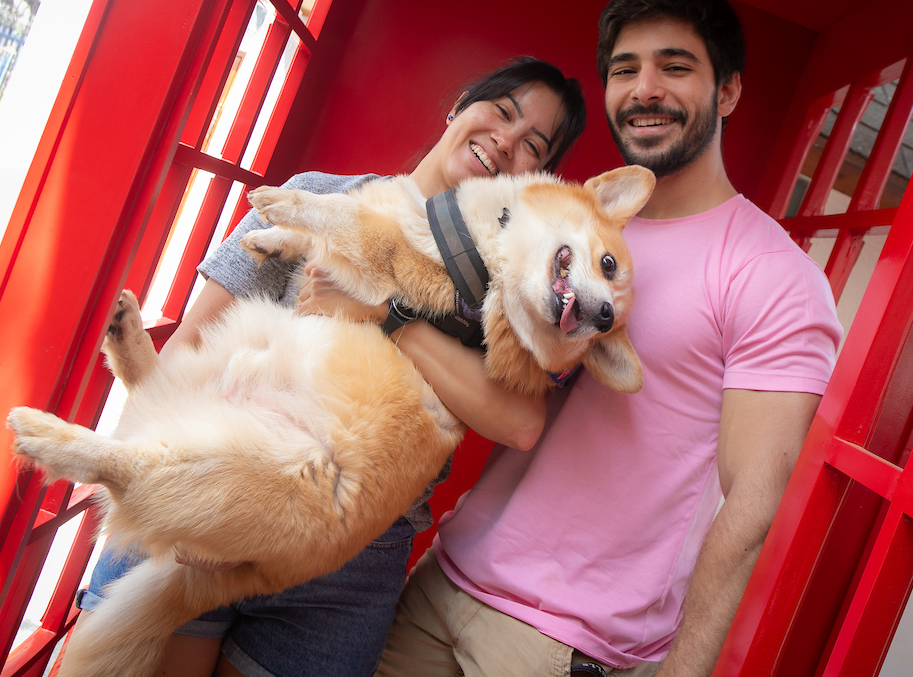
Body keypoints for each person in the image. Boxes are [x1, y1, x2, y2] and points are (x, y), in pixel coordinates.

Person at [374, 0, 843, 676]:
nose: (645, 88)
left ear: (728, 92)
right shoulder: (576, 213)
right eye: (626, 70)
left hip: (565, 647)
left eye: (675, 67)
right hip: (445, 578)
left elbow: (753, 506)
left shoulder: (772, 274)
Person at [74, 56, 587, 677]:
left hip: (350, 548)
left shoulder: (499, 296)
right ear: (458, 108)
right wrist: (177, 500)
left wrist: (389, 313)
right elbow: (189, 344)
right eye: (501, 112)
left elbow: (521, 422)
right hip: (213, 473)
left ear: (535, 178)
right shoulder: (315, 198)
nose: (506, 141)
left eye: (533, 144)